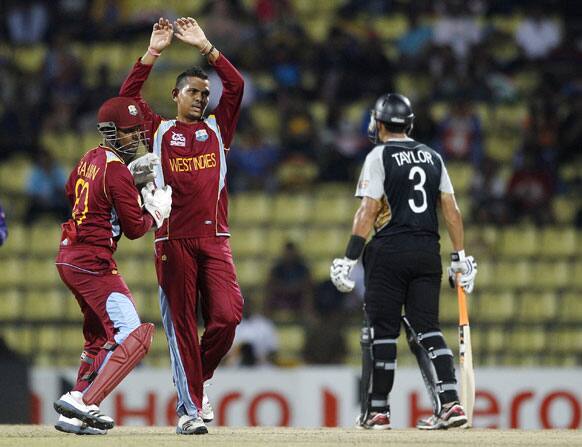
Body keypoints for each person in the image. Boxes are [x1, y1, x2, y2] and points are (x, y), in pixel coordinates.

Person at [118, 17, 244, 435]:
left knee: (227, 317)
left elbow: (237, 86)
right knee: (183, 328)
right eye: (193, 92)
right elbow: (125, 101)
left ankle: (198, 379)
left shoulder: (217, 129)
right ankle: (189, 411)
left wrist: (207, 46)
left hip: (215, 238)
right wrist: (153, 52)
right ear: (175, 96)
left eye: (206, 94)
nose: (202, 99)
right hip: (172, 240)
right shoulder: (157, 131)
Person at [330, 94, 477, 430]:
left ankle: (378, 411)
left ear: (379, 123)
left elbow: (367, 211)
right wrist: (460, 257)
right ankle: (451, 405)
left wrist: (349, 257)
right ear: (408, 123)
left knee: (382, 331)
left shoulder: (379, 156)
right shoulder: (432, 156)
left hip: (388, 251)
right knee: (427, 328)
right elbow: (452, 211)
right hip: (428, 250)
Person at [52, 96, 172, 435]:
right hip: (93, 261)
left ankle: (72, 411)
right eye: (130, 132)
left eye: (137, 131)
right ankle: (86, 401)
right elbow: (135, 229)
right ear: (111, 132)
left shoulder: (91, 156)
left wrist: (121, 189)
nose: (137, 138)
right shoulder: (117, 169)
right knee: (135, 335)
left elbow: (69, 190)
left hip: (69, 256)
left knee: (98, 337)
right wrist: (155, 212)